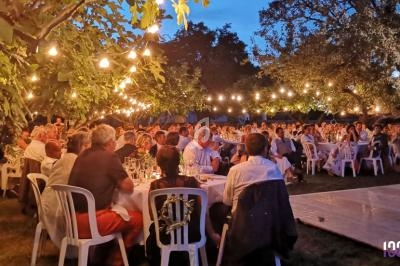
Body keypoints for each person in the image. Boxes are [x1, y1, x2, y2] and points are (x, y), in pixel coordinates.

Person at [69, 124, 143, 266]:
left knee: (118, 210)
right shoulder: (109, 156)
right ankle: (117, 261)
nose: (116, 143)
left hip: (71, 219)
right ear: (109, 142)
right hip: (92, 222)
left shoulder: (82, 155)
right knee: (138, 219)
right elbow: (128, 187)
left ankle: (102, 255)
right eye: (114, 140)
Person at [146, 146, 220, 265]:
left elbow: (151, 215)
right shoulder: (191, 182)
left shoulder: (155, 186)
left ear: (159, 164)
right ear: (178, 161)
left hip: (165, 236)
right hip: (193, 234)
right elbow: (202, 212)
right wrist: (212, 233)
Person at [41, 132, 91, 249]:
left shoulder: (64, 159)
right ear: (83, 146)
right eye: (90, 146)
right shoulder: (78, 162)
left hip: (46, 206)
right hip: (62, 212)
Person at [223, 133, 283, 213]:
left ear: (246, 149)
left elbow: (227, 201)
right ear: (265, 149)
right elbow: (281, 198)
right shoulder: (274, 168)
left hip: (242, 221)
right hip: (269, 220)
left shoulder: (235, 171)